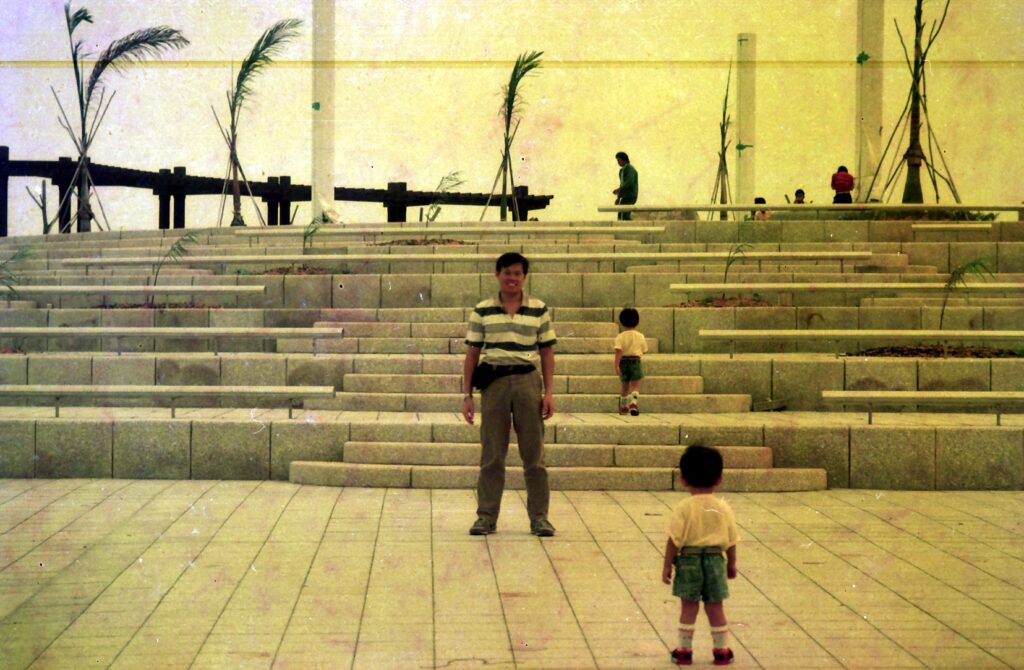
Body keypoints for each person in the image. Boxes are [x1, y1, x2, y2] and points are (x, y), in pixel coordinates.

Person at [463, 252, 557, 537]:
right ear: (497, 274)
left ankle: (540, 518)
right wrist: (467, 395)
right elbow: (472, 353)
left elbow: (546, 352)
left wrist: (549, 392)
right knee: (492, 455)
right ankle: (486, 517)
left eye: (517, 273)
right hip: (495, 384)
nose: (512, 278)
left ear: (524, 277)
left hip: (528, 382)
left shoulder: (539, 309)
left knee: (534, 456)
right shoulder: (482, 310)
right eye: (507, 272)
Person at [661, 445, 739, 666]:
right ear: (719, 479)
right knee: (715, 606)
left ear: (683, 479)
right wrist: (732, 563)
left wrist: (667, 565)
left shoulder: (683, 507)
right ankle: (721, 650)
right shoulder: (723, 507)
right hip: (715, 560)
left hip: (689, 560)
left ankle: (684, 650)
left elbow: (673, 540)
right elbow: (732, 540)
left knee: (689, 606)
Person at [614, 307, 647, 415]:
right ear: (637, 322)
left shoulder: (620, 336)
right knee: (635, 385)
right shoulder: (640, 336)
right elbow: (644, 349)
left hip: (624, 362)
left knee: (624, 386)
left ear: (621, 322)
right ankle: (633, 403)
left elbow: (618, 352)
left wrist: (617, 365)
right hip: (636, 361)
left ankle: (624, 407)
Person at [613, 151, 638, 221]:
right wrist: (618, 198)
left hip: (630, 196)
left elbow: (628, 182)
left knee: (625, 215)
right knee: (620, 214)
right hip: (624, 196)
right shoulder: (621, 171)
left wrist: (618, 189)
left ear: (624, 160)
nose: (618, 162)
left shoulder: (630, 169)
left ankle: (629, 227)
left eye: (619, 160)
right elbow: (622, 184)